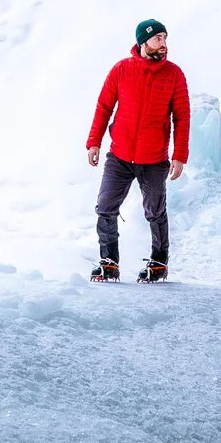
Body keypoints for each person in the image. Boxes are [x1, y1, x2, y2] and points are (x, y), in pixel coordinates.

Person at [86, 19, 190, 281]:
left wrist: (179, 155)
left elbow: (182, 116)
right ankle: (109, 261)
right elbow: (104, 106)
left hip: (154, 159)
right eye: (158, 38)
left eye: (165, 38)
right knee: (105, 207)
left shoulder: (174, 74)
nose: (163, 44)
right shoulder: (122, 69)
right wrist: (94, 141)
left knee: (155, 212)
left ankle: (159, 262)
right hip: (119, 156)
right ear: (143, 42)